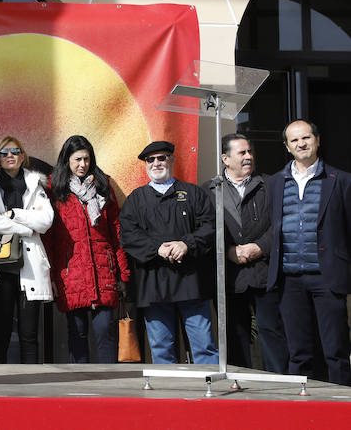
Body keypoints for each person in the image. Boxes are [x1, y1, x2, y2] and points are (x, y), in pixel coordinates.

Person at [267, 119, 351, 385]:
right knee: (298, 352)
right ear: (287, 147)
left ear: (317, 140)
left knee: (336, 350)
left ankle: (342, 403)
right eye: (294, 140)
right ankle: (302, 408)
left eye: (306, 138)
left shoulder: (341, 181)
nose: (301, 144)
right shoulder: (275, 182)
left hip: (328, 276)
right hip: (289, 278)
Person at [119, 141, 218, 364]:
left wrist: (186, 244)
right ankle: (169, 397)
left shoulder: (193, 193)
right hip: (153, 287)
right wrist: (157, 249)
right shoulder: (135, 199)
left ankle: (212, 397)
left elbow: (210, 227)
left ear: (172, 160)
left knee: (205, 348)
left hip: (192, 284)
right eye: (150, 160)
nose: (156, 163)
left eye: (161, 158)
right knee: (161, 350)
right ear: (145, 165)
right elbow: (128, 235)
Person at [202, 134, 288, 372]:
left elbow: (281, 224)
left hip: (265, 275)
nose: (249, 157)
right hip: (230, 278)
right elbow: (204, 231)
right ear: (225, 158)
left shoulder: (270, 185)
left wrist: (261, 246)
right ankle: (240, 385)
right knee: (234, 336)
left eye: (250, 152)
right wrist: (226, 250)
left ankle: (278, 383)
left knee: (272, 333)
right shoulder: (210, 190)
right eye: (242, 153)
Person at [44, 135, 130, 364]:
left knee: (105, 332)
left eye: (87, 159)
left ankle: (111, 390)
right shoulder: (54, 187)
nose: (83, 164)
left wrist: (123, 274)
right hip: (71, 274)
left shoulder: (102, 185)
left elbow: (116, 231)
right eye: (77, 159)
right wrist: (51, 276)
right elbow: (49, 237)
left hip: (104, 272)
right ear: (67, 160)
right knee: (77, 334)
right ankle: (81, 390)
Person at [0, 136, 55, 364]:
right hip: (1, 267)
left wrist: (13, 214)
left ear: (22, 156)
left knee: (29, 335)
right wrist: (29, 229)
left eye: (15, 151)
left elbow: (46, 220)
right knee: (1, 332)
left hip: (29, 267)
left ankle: (32, 388)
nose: (10, 156)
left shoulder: (35, 184)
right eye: (4, 152)